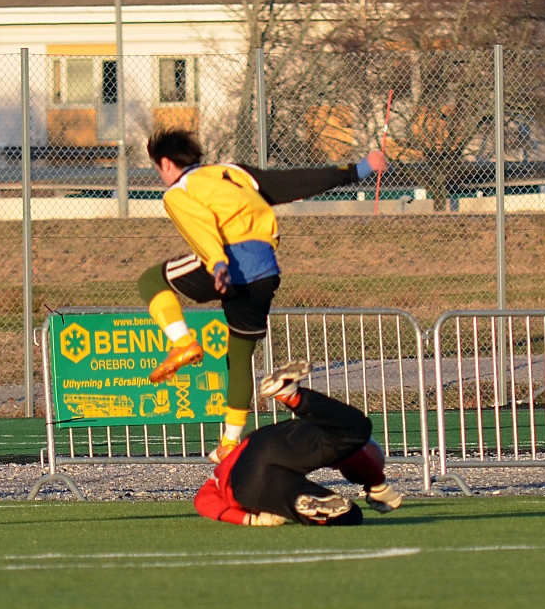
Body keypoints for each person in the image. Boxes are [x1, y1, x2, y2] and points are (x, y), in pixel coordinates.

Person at [138, 128, 388, 463]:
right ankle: (229, 442)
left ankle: (183, 343)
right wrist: (356, 171)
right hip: (266, 272)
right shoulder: (234, 174)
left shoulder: (179, 191)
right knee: (239, 355)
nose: (160, 175)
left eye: (158, 168)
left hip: (227, 262)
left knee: (151, 280)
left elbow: (201, 227)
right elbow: (289, 184)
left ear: (166, 163)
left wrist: (217, 264)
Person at [193, 359, 403, 526]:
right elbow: (354, 456)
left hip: (258, 464)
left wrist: (251, 520)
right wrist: (377, 484)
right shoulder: (225, 468)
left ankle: (293, 396)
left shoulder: (222, 472)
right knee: (351, 514)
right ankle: (301, 503)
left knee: (349, 510)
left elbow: (203, 502)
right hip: (256, 470)